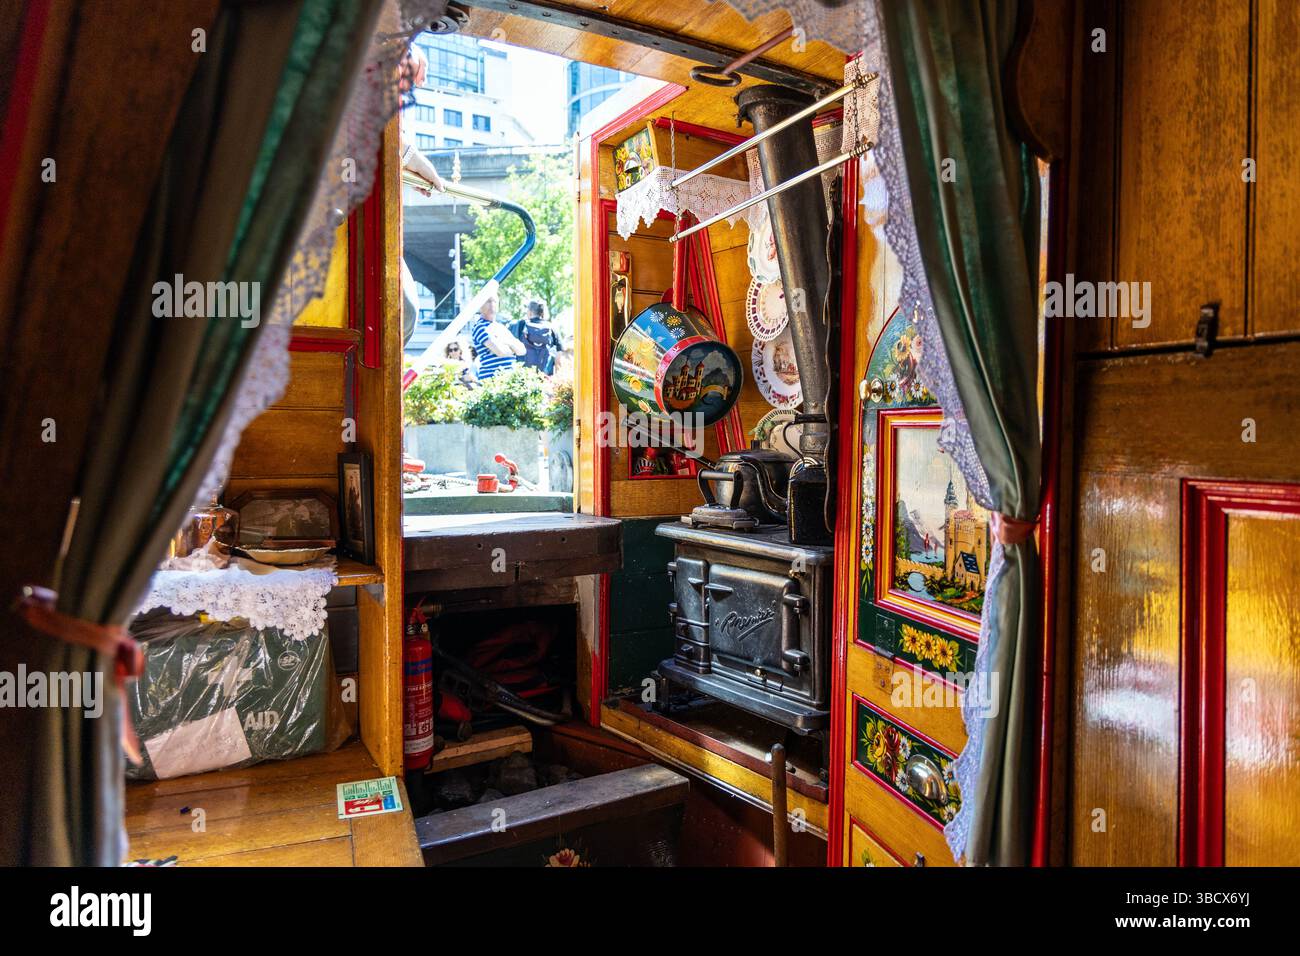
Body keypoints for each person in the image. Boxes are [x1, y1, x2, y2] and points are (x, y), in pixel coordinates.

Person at [470, 293, 523, 380]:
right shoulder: (480, 327)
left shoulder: (501, 327)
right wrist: (512, 348)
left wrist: (506, 342)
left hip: (509, 379)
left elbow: (522, 350)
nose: (492, 305)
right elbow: (501, 351)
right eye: (488, 301)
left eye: (494, 301)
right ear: (480, 305)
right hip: (492, 381)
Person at [513, 300, 563, 375]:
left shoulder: (521, 325)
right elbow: (558, 360)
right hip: (545, 378)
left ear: (529, 312)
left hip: (524, 378)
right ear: (543, 313)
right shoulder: (552, 328)